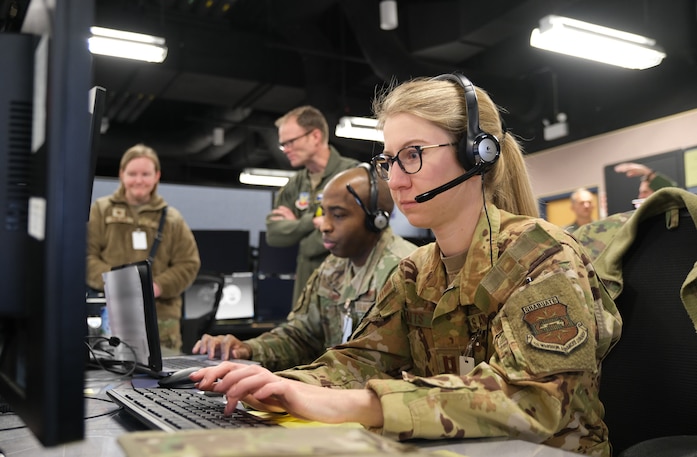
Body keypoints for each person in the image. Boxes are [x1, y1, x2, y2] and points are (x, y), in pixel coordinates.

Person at [190, 74, 622, 456]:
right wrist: (279, 385)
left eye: (413, 154)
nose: (394, 179)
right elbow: (359, 362)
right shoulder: (415, 272)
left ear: (477, 155)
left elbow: (531, 399)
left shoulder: (540, 256)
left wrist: (359, 404)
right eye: (389, 160)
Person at [193, 165, 417, 371]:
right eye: (323, 213)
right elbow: (301, 337)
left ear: (376, 220)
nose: (325, 226)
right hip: (335, 395)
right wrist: (246, 349)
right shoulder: (333, 268)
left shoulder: (405, 270)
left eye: (338, 215)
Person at [87, 144, 201, 353]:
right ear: (121, 174)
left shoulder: (172, 219)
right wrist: (115, 283)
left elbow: (189, 263)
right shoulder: (101, 211)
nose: (139, 180)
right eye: (132, 173)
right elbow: (86, 256)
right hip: (113, 315)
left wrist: (157, 286)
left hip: (161, 319)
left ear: (157, 175)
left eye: (146, 174)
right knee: (110, 375)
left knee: (162, 377)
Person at [266, 106, 359, 305]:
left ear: (315, 136)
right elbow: (273, 234)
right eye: (283, 145)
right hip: (305, 290)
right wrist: (310, 222)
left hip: (343, 286)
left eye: (290, 142)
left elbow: (347, 233)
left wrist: (298, 231)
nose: (285, 150)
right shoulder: (295, 184)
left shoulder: (352, 174)